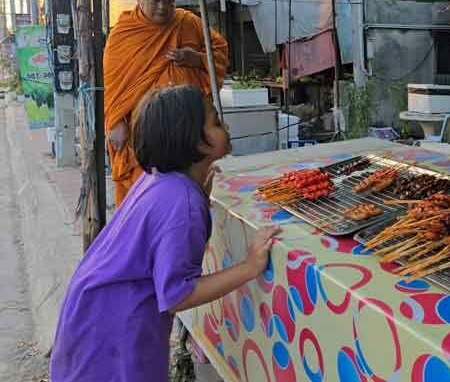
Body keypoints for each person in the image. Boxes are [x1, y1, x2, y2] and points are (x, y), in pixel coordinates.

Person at [49, 85, 279, 382]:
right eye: (216, 122)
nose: (226, 127)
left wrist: (199, 193)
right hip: (115, 332)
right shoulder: (181, 202)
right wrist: (250, 267)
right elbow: (177, 295)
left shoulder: (160, 181)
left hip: (93, 314)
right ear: (194, 143)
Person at [104, 0, 229, 206]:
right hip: (145, 133)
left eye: (169, 1)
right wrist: (115, 121)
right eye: (155, 0)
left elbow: (219, 50)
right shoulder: (123, 34)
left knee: (190, 194)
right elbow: (115, 86)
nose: (163, 7)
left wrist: (197, 59)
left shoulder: (187, 22)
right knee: (147, 200)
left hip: (188, 130)